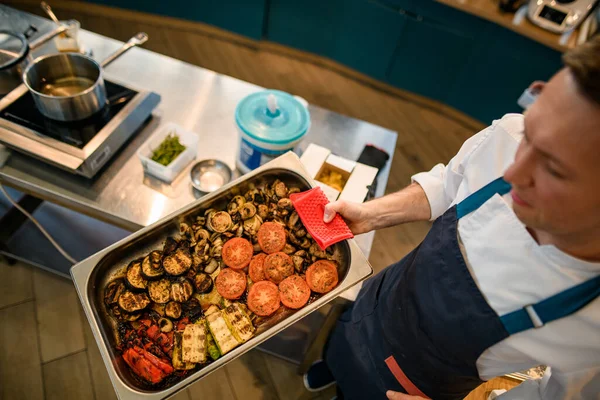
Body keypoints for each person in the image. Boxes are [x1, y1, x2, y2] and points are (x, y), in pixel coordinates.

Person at [303, 36, 600, 400]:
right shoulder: (508, 135)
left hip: (413, 386)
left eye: (553, 169)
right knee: (340, 345)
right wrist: (371, 214)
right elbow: (449, 184)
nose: (512, 173)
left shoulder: (593, 326)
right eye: (530, 134)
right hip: (381, 302)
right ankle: (333, 368)